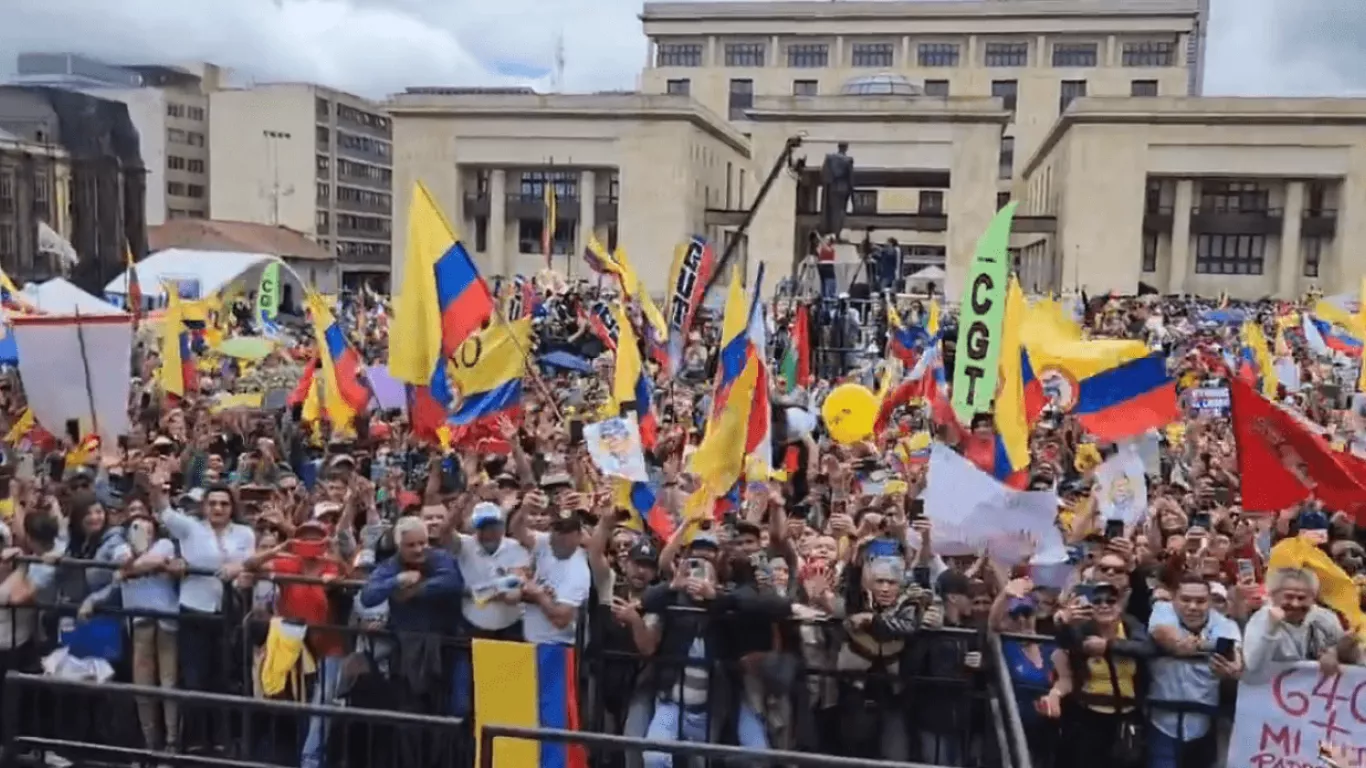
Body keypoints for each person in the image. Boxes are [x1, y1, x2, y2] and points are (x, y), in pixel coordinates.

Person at [1146, 574, 1242, 768]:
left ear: (1210, 602)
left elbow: (1235, 655)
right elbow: (1164, 633)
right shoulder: (1162, 610)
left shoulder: (1225, 624)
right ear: (1174, 599)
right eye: (1186, 599)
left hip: (1203, 722)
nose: (1193, 607)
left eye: (1200, 601)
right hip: (1161, 719)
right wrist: (1184, 645)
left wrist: (1233, 669)